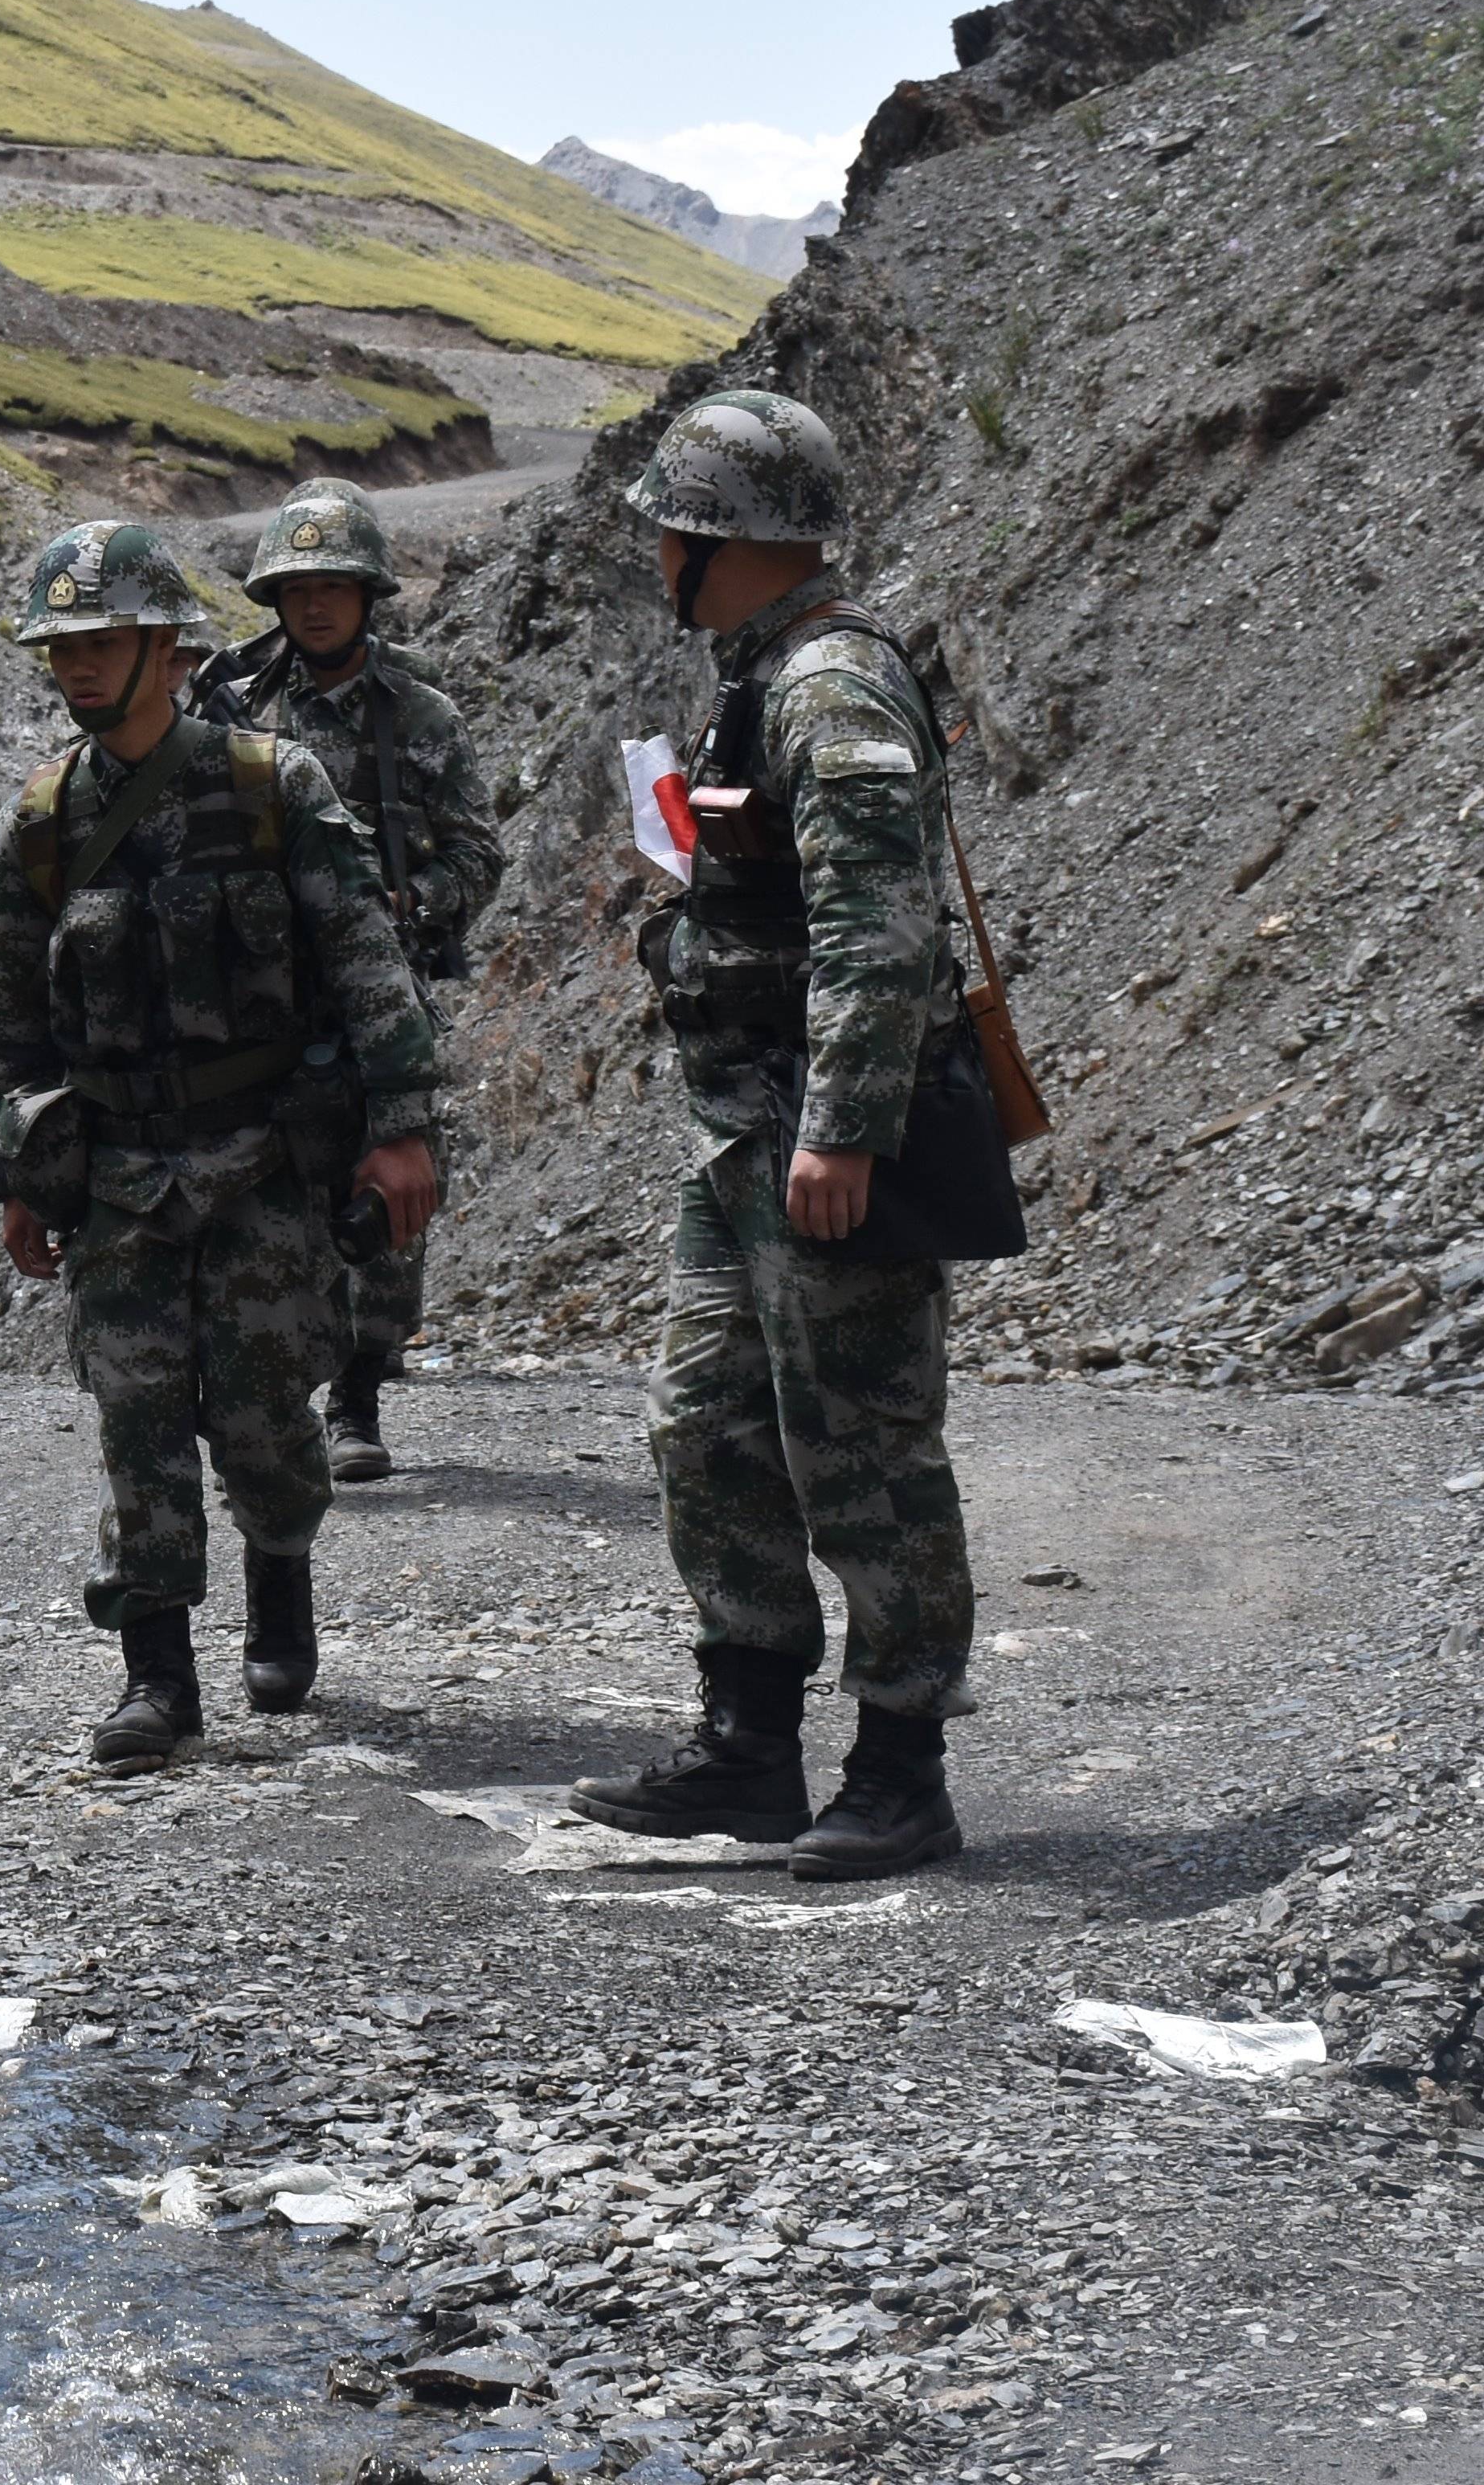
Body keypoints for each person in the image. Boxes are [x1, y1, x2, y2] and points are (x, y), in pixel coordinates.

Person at [563, 390, 983, 1883]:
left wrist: (846, 1127)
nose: (659, 553)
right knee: (710, 1431)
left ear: (716, 539)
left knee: (862, 1451)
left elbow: (883, 927)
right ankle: (748, 1746)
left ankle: (900, 1769)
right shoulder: (768, 674)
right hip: (738, 1136)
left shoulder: (832, 688)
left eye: (674, 528)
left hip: (813, 1138)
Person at [0, 517, 443, 1765]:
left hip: (261, 1169)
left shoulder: (272, 784)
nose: (76, 667)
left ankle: (279, 1573)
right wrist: (20, 1179)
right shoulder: (36, 828)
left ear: (166, 647)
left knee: (262, 1420)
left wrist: (400, 1131)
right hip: (121, 1180)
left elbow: (369, 970)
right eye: (59, 647)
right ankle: (157, 1678)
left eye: (102, 640)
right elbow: (14, 1033)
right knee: (136, 1419)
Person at [190, 480, 505, 1480]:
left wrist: (408, 907)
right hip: (265, 999)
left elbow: (478, 853)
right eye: (298, 587)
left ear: (369, 594)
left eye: (335, 586)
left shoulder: (421, 714)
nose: (316, 605)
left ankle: (360, 1389)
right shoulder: (234, 705)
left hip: (381, 993)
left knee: (391, 1201)